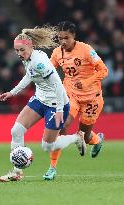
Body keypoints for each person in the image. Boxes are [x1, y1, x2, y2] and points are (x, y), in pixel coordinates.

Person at [0, 25, 86, 182]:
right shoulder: (29, 58)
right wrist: (12, 92)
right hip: (40, 99)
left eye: (21, 50)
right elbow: (29, 76)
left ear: (30, 46)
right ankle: (17, 172)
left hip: (56, 103)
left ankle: (77, 138)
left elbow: (57, 85)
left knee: (47, 146)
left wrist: (59, 109)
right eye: (16, 50)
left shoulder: (39, 63)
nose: (19, 53)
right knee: (16, 131)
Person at [43, 21, 108, 180]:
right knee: (62, 127)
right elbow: (49, 70)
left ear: (74, 37)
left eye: (66, 38)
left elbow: (103, 70)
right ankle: (52, 168)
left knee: (85, 136)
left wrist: (86, 82)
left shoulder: (86, 50)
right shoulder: (57, 52)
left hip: (92, 98)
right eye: (60, 38)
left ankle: (97, 140)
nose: (63, 41)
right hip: (70, 96)